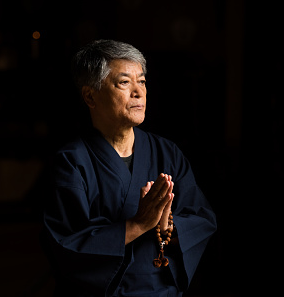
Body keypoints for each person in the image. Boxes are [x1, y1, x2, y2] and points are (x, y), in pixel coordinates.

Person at [42, 39, 217, 296]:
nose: (138, 92)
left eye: (142, 82)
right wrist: (138, 225)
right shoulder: (71, 161)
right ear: (90, 96)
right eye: (124, 82)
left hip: (162, 290)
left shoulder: (166, 152)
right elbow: (64, 244)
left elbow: (202, 218)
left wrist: (168, 225)